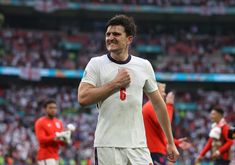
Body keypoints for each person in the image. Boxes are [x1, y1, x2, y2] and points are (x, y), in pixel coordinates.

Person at [78, 14, 179, 165]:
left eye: (116, 34)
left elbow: (159, 105)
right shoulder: (96, 64)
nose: (110, 38)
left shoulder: (144, 65)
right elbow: (83, 98)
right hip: (108, 144)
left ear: (129, 39)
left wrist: (170, 142)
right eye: (108, 34)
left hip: (138, 146)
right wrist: (115, 84)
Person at [143, 82, 192, 165]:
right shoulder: (151, 106)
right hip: (154, 152)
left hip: (155, 151)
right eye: (162, 91)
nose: (165, 94)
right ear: (155, 92)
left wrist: (176, 142)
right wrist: (169, 105)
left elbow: (161, 135)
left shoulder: (150, 106)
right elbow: (165, 123)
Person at [35, 99, 72, 165]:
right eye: (50, 108)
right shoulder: (40, 122)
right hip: (45, 156)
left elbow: (61, 143)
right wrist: (56, 135)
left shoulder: (59, 122)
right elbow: (41, 140)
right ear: (45, 109)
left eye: (55, 108)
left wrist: (66, 139)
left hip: (55, 156)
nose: (53, 110)